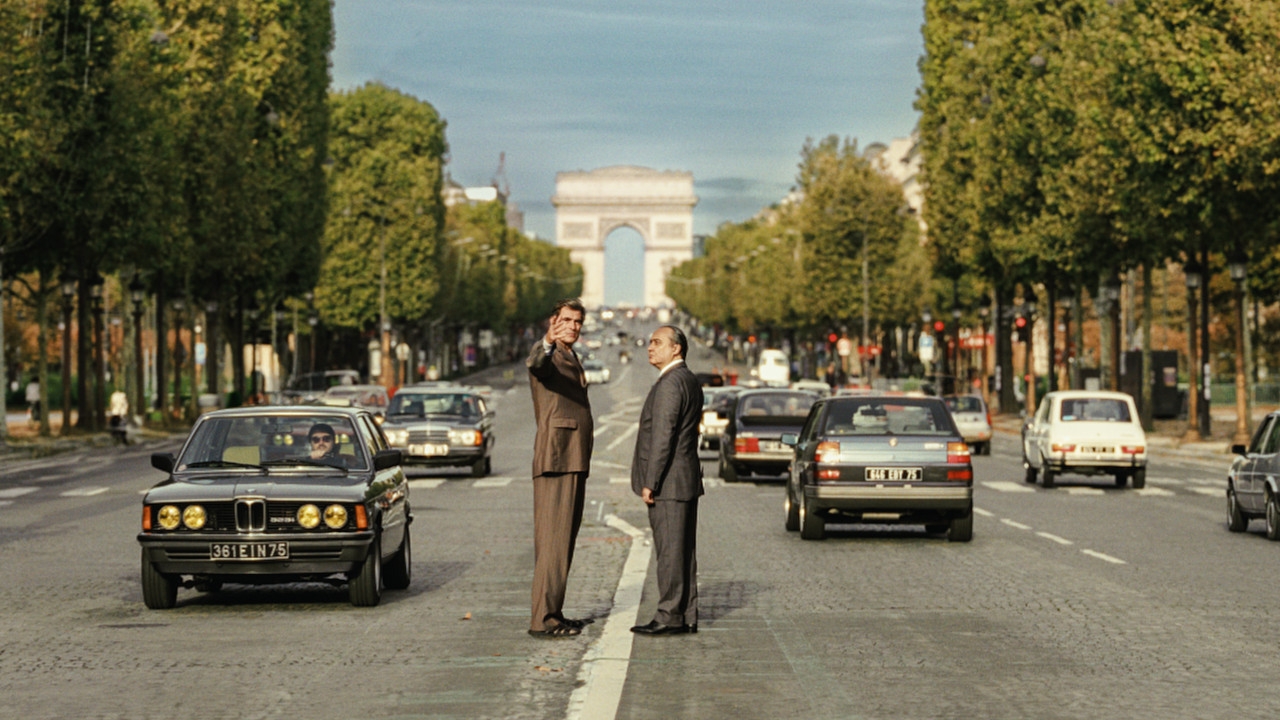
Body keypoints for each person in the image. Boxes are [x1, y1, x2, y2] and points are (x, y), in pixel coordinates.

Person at [525, 298, 594, 638]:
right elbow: (536, 363)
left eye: (577, 321)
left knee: (562, 540)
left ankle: (554, 611)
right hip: (558, 456)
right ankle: (543, 619)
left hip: (571, 456)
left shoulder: (570, 354)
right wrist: (547, 342)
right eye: (566, 320)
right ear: (553, 322)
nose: (573, 326)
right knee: (553, 541)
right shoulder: (549, 354)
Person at [630, 325, 704, 636]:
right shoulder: (688, 378)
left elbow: (663, 436)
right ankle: (686, 614)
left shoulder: (670, 383)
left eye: (658, 342)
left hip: (669, 482)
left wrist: (651, 481)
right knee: (683, 552)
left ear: (676, 348)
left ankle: (669, 616)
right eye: (650, 342)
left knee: (670, 553)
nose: (650, 347)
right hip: (683, 479)